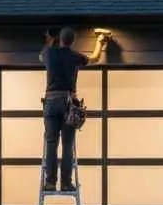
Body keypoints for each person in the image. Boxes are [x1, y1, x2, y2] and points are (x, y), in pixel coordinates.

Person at [39, 26, 110, 192]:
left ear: (60, 40)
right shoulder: (74, 56)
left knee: (51, 143)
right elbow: (94, 58)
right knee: (67, 144)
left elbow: (41, 55)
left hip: (50, 100)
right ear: (72, 42)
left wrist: (49, 39)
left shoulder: (50, 53)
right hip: (68, 102)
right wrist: (99, 41)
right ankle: (65, 183)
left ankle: (50, 183)